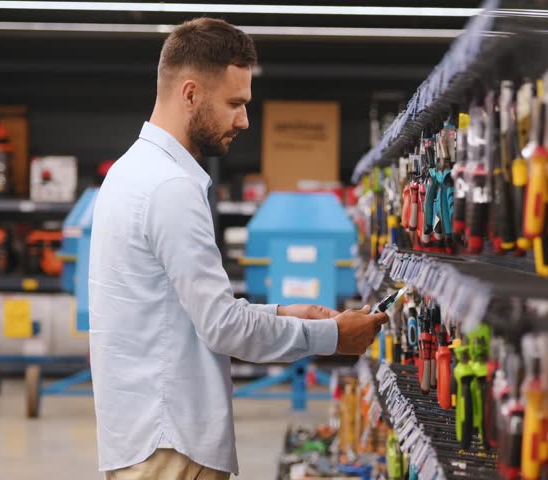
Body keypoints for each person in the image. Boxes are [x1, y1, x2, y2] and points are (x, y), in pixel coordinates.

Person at [89, 17, 388, 480]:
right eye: (235, 103)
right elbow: (223, 328)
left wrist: (284, 313)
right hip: (172, 443)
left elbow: (184, 314)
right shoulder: (170, 188)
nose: (244, 120)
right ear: (190, 94)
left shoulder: (131, 172)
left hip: (144, 436)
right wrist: (332, 337)